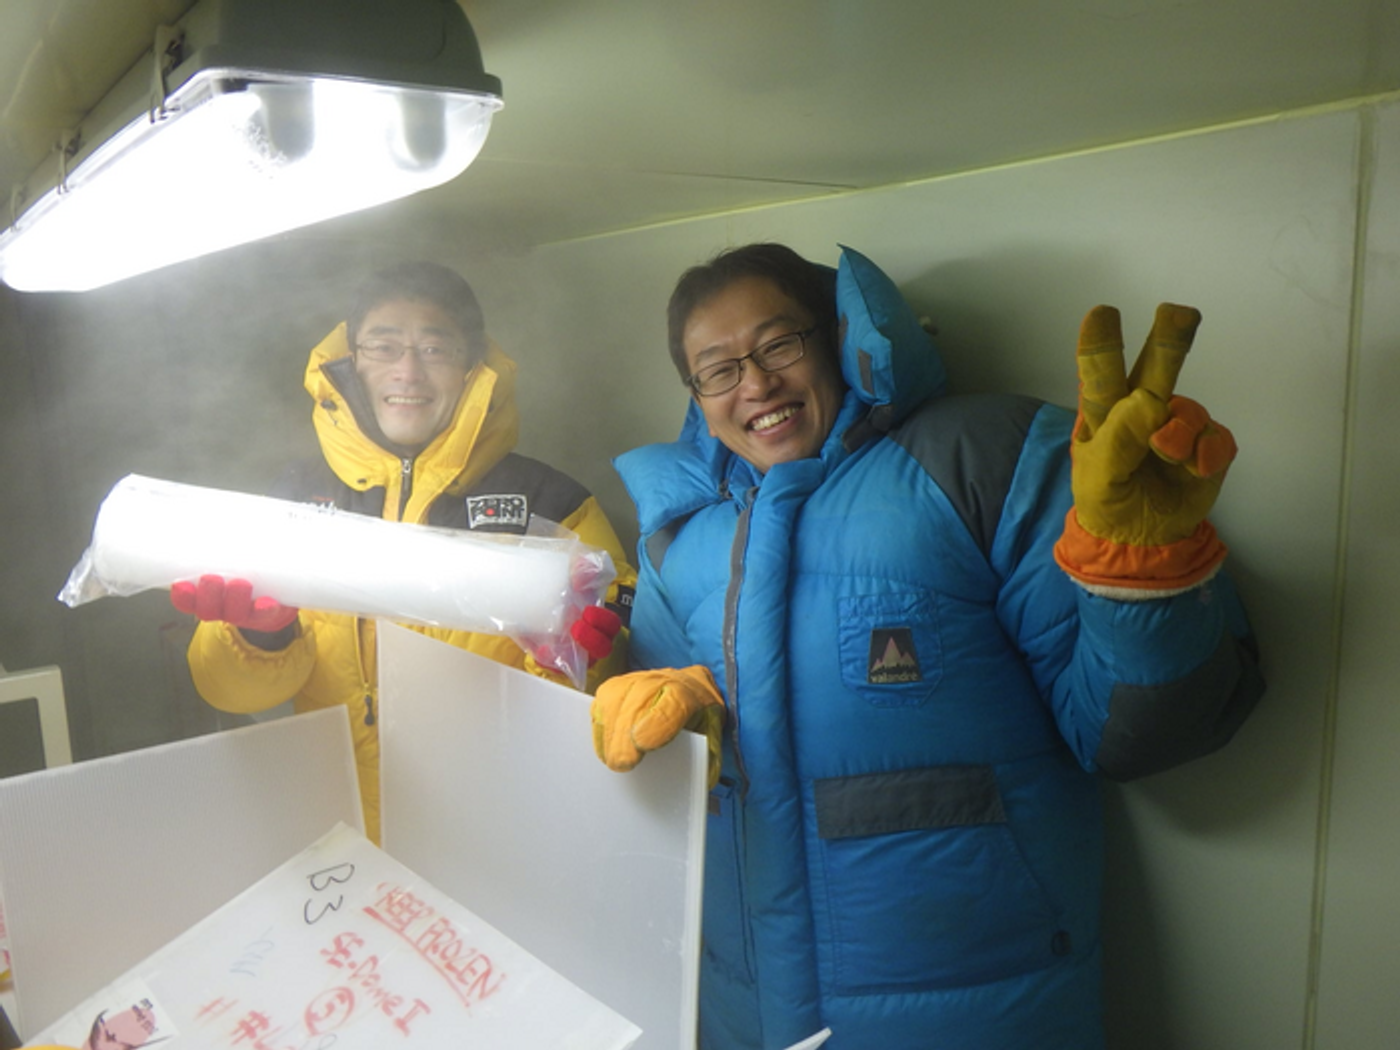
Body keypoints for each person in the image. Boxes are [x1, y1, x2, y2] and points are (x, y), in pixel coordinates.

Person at [589, 243, 1264, 1049]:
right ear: (697, 397)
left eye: (777, 345)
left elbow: (1135, 734)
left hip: (982, 1003)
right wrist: (657, 719)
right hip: (744, 1009)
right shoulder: (678, 542)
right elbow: (657, 754)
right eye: (718, 369)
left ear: (836, 337)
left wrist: (1145, 573)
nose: (756, 384)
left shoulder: (984, 459)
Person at [173, 260, 636, 845]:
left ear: (472, 367)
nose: (408, 371)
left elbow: (605, 701)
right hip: (333, 829)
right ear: (352, 361)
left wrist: (572, 667)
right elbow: (230, 691)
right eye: (384, 346)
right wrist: (261, 636)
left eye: (435, 349)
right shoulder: (295, 501)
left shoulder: (554, 506)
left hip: (500, 835)